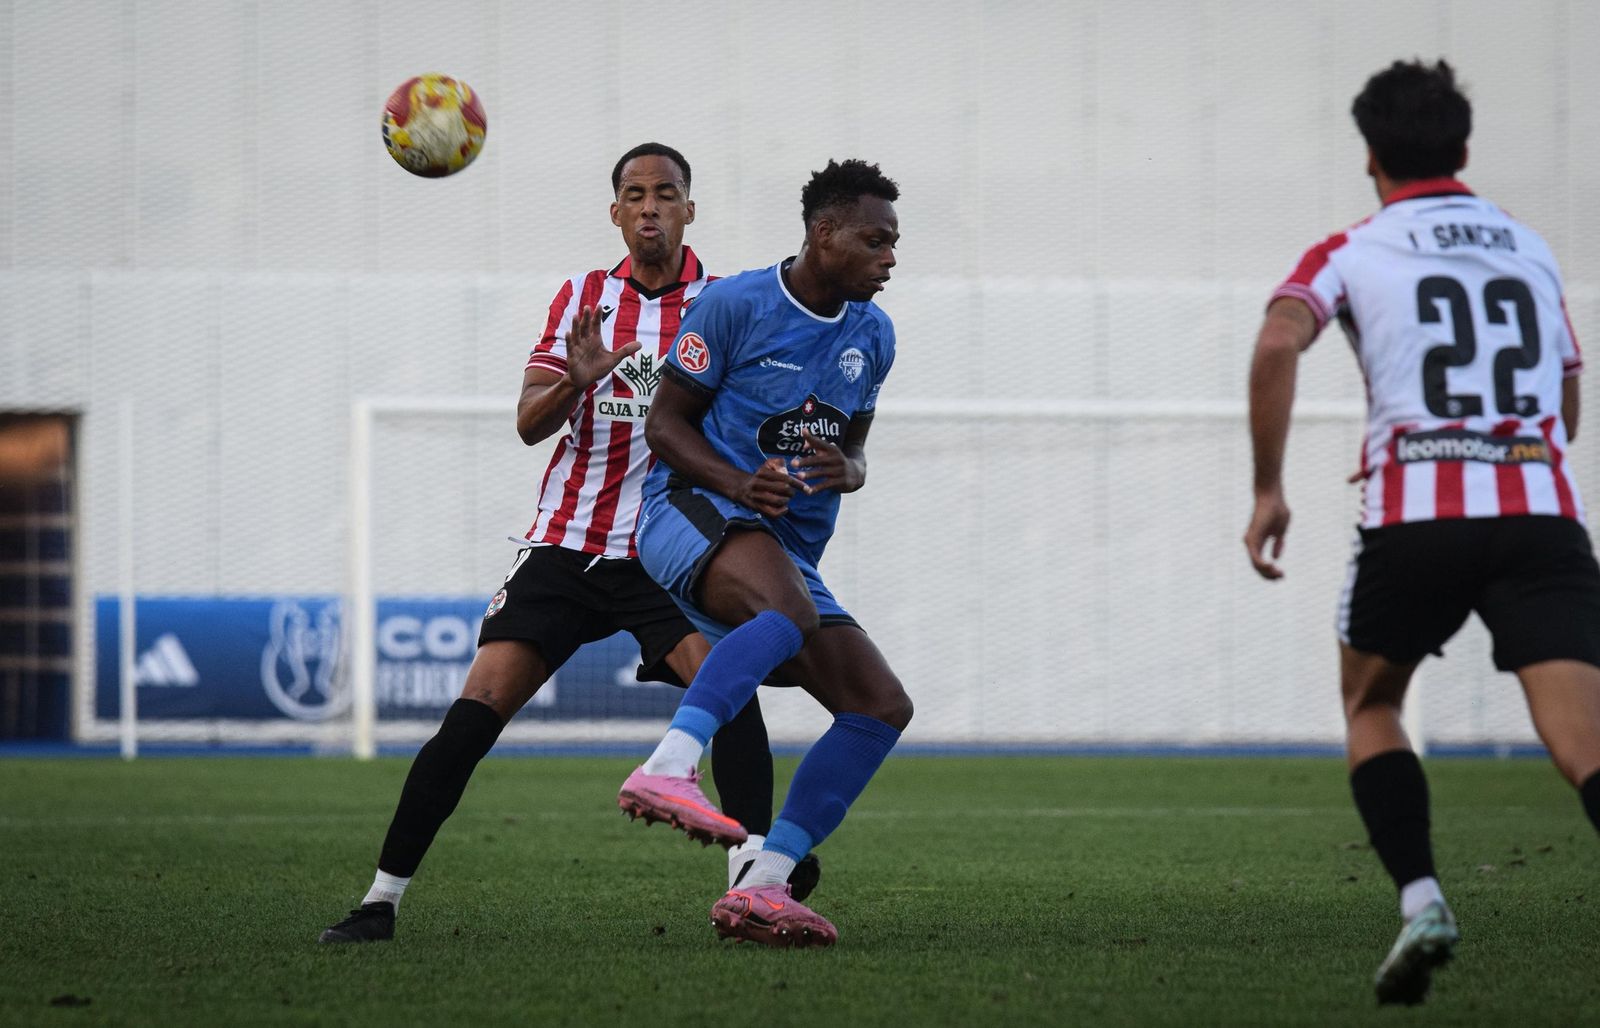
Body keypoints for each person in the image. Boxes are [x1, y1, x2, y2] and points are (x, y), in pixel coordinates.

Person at [319, 143, 815, 944]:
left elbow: (754, 413)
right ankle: (380, 900)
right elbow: (527, 425)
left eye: (665, 193)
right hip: (565, 544)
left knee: (730, 697)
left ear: (690, 209)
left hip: (666, 548)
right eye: (633, 194)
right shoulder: (582, 297)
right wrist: (578, 378)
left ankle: (751, 887)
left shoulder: (724, 303)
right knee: (474, 714)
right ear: (615, 212)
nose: (649, 206)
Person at [1244, 60, 1600, 1005]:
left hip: (1418, 519)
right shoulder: (1529, 248)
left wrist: (1269, 489)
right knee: (1583, 743)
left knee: (1371, 705)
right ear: (1465, 150)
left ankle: (1423, 901)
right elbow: (1565, 405)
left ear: (1370, 154)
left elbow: (1280, 337)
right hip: (1538, 514)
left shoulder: (1351, 247)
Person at [615, 158, 911, 948]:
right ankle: (668, 766)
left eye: (894, 244)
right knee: (785, 611)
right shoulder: (736, 304)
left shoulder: (873, 336)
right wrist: (741, 483)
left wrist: (846, 469)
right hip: (690, 508)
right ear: (825, 234)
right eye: (875, 241)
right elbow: (666, 427)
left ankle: (765, 884)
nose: (890, 258)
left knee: (880, 706)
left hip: (784, 550)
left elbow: (854, 451)